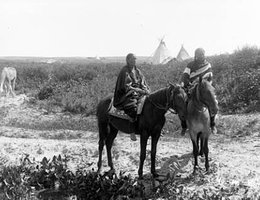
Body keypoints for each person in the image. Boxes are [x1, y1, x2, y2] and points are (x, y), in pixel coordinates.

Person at [180, 48, 217, 135]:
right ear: (196, 55)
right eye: (200, 54)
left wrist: (208, 85)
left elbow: (210, 77)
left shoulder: (208, 65)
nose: (202, 56)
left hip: (204, 87)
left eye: (203, 54)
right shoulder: (190, 65)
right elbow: (185, 76)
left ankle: (212, 124)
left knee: (214, 101)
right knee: (182, 103)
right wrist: (189, 85)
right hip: (191, 87)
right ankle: (184, 126)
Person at [113, 53, 150, 141]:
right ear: (128, 60)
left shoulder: (137, 70)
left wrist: (144, 89)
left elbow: (142, 81)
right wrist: (136, 90)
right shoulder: (124, 71)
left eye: (135, 59)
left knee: (149, 105)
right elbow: (126, 86)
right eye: (133, 59)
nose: (134, 60)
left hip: (138, 93)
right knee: (132, 108)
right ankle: (132, 131)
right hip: (127, 94)